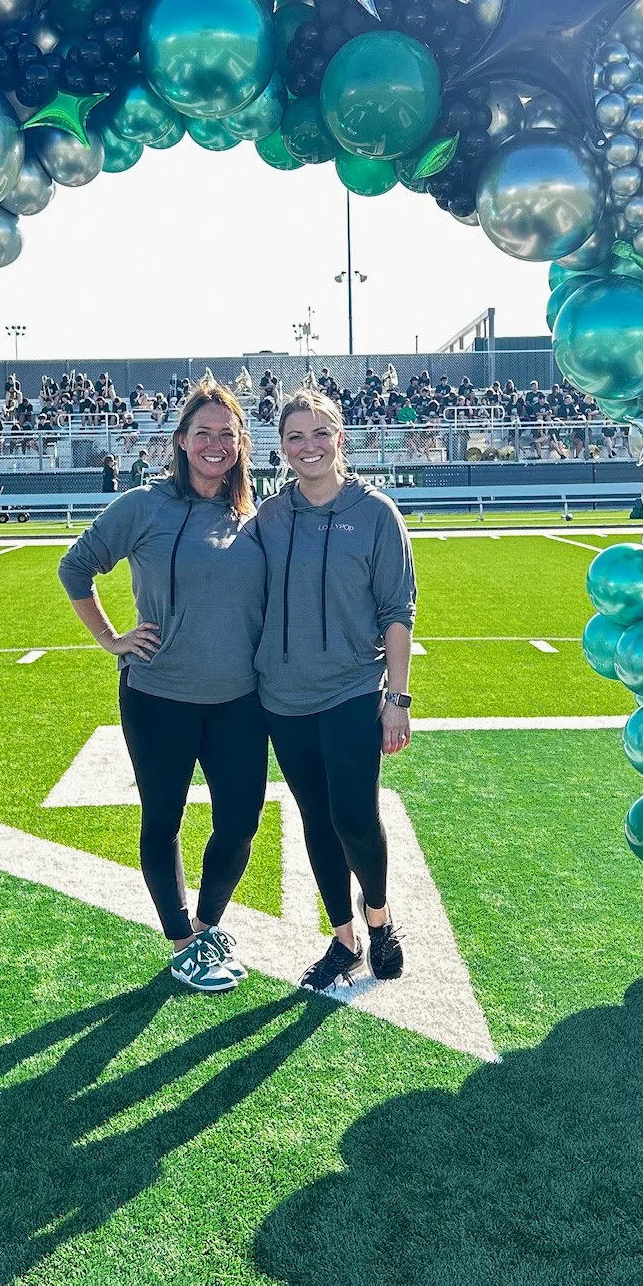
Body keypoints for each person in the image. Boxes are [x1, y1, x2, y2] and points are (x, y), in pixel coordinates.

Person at [58, 385, 267, 994]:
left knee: (240, 820)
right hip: (159, 695)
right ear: (180, 440)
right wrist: (111, 638)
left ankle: (206, 926)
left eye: (227, 434)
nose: (214, 444)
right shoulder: (144, 506)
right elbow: (76, 566)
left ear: (241, 445)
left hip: (240, 700)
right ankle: (181, 940)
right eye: (202, 432)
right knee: (164, 817)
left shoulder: (254, 515)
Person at [249, 388, 416, 994]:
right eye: (296, 436)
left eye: (320, 433)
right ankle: (343, 938)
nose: (309, 445)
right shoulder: (268, 516)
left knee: (354, 814)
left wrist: (397, 698)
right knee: (315, 819)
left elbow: (398, 611)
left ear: (340, 437)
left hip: (350, 689)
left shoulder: (375, 513)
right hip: (282, 698)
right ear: (282, 448)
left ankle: (380, 919)